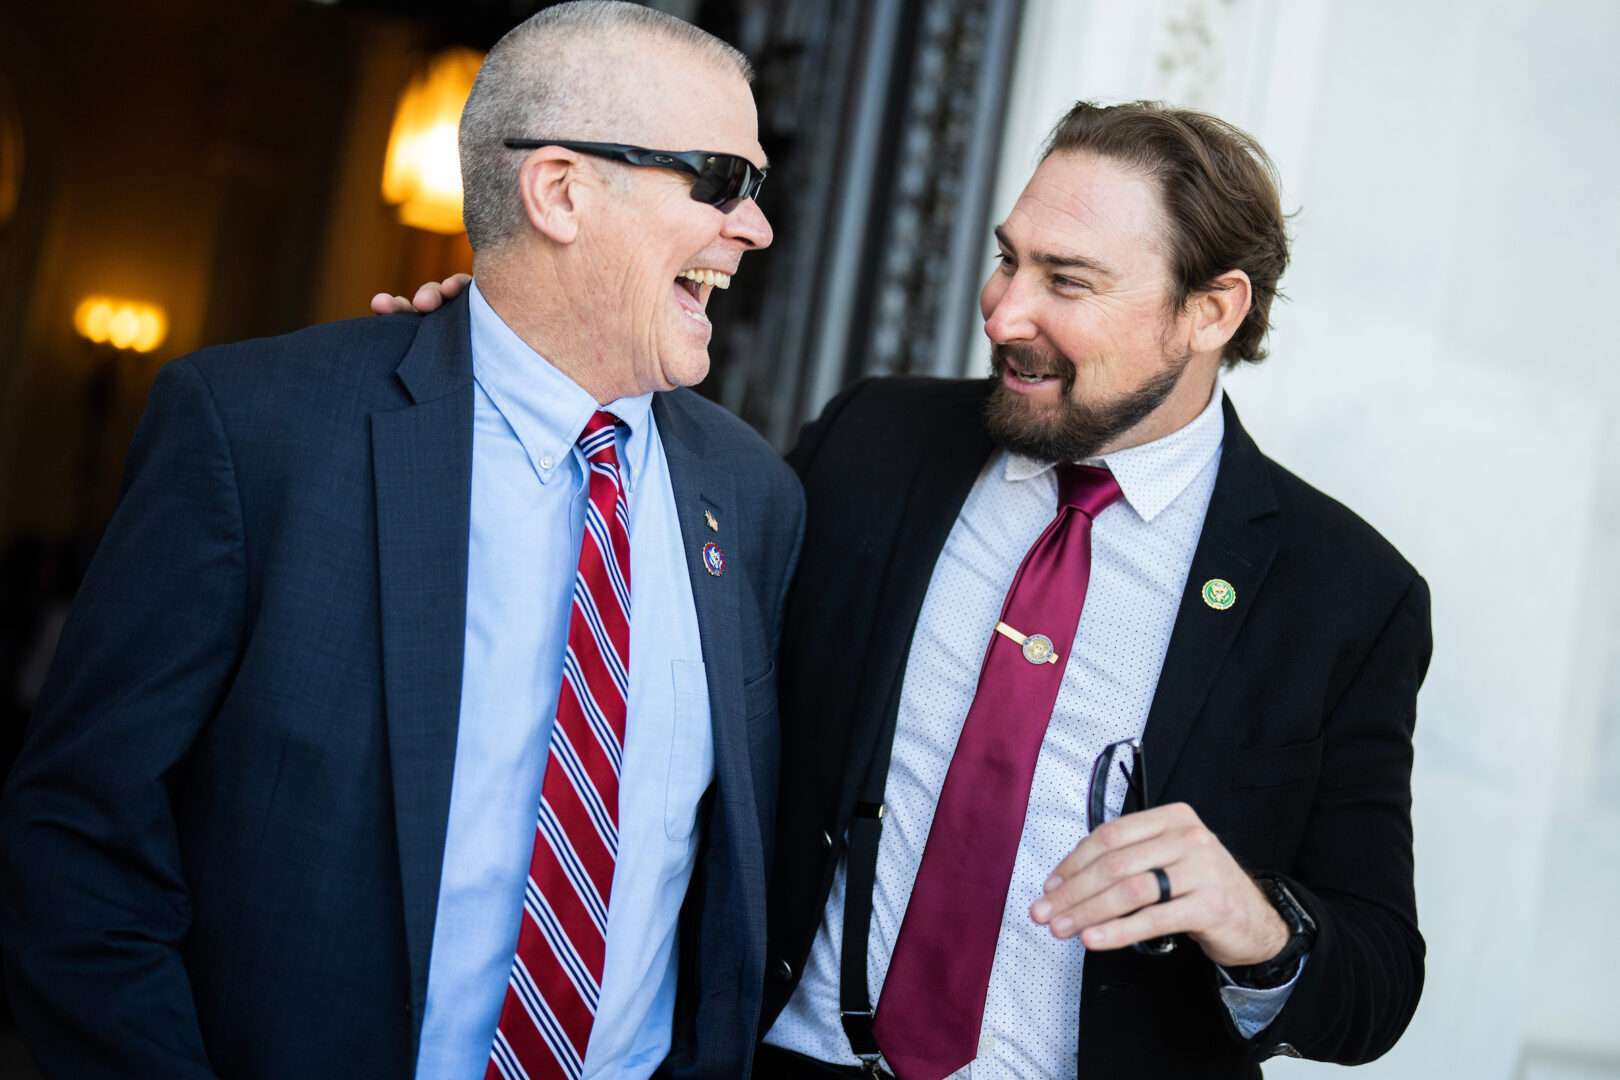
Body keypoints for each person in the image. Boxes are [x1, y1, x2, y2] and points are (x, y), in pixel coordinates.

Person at [392, 101, 1432, 1078]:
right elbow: (647, 563)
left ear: (1212, 311)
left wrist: (1256, 923)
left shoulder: (1345, 594)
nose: (1005, 312)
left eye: (1067, 282)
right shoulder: (875, 443)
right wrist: (498, 348)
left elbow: (1377, 985)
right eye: (1006, 259)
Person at [0, 4, 801, 1079]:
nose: (754, 228)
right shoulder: (259, 432)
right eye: (718, 180)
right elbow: (80, 839)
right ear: (560, 190)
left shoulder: (751, 495)